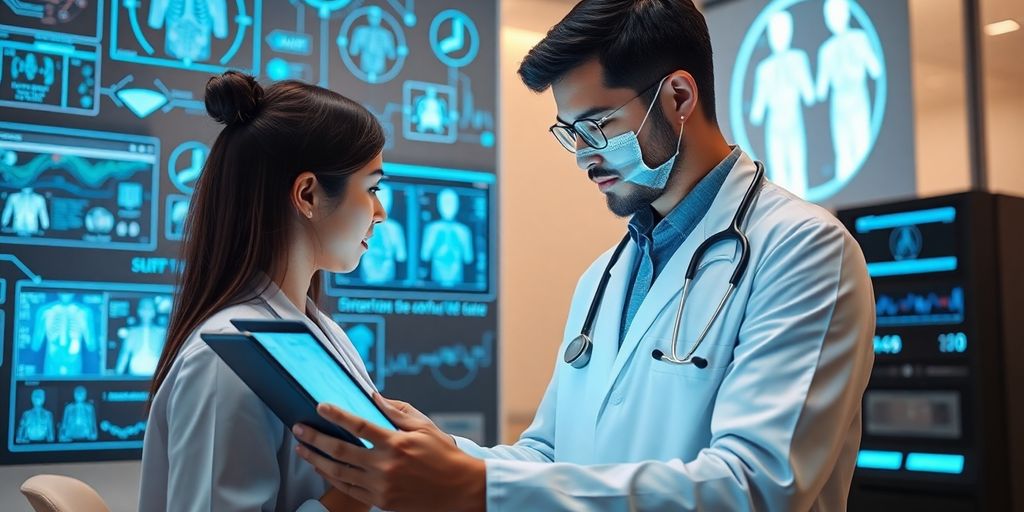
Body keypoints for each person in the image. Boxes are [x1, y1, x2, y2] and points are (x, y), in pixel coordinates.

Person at [291, 1, 875, 511]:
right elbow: (551, 453)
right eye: (570, 133)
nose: (584, 157)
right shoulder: (607, 276)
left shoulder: (802, 250)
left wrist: (478, 490)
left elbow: (755, 488)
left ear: (678, 96)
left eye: (598, 126)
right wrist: (448, 456)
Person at [138, 70, 387, 512]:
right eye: (372, 189)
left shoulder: (320, 331)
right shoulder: (226, 360)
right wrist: (360, 496)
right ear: (308, 195)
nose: (380, 213)